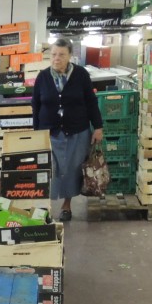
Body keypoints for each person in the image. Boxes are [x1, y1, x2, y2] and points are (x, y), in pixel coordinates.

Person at [31, 38, 103, 222]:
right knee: (49, 171)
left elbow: (91, 101)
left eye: (61, 55)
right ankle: (45, 207)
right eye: (53, 54)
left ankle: (66, 206)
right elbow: (36, 105)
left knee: (72, 169)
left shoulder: (81, 74)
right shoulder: (43, 76)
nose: (56, 58)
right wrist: (36, 131)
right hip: (49, 132)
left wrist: (98, 126)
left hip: (77, 131)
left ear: (70, 56)